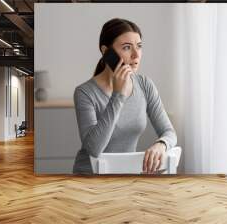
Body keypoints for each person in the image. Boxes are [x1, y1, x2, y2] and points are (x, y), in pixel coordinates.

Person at [73, 18, 177, 174]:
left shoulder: (145, 85)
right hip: (90, 177)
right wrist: (118, 95)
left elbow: (169, 132)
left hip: (127, 175)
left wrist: (161, 144)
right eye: (127, 47)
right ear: (106, 51)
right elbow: (94, 149)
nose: (136, 55)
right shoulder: (85, 92)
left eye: (139, 46)